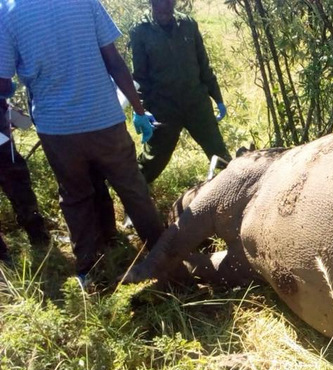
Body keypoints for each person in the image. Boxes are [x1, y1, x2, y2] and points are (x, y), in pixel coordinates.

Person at [0, 0, 165, 285]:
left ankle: (90, 272)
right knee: (132, 188)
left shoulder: (9, 11)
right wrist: (139, 110)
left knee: (76, 196)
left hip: (58, 128)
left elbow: (2, 80)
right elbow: (114, 60)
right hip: (104, 118)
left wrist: (13, 96)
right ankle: (164, 257)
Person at [130, 0, 231, 185]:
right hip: (164, 109)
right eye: (160, 3)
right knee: (152, 162)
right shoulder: (140, 31)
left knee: (221, 157)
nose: (166, 7)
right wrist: (141, 110)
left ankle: (236, 198)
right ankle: (134, 204)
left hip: (196, 103)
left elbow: (203, 65)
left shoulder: (188, 25)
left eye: (170, 2)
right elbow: (140, 78)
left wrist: (217, 97)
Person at [0, 88, 50, 265]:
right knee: (20, 191)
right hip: (3, 146)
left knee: (21, 192)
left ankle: (40, 240)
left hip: (3, 145)